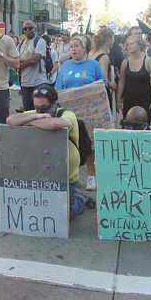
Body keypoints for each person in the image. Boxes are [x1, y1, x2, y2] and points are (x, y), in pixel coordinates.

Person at [6, 86, 95, 219]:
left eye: (44, 107)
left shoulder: (67, 114)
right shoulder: (36, 113)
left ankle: (80, 199)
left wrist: (30, 121)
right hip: (41, 173)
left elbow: (54, 125)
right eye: (36, 106)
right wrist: (38, 116)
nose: (40, 109)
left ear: (53, 103)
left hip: (66, 175)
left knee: (63, 216)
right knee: (41, 210)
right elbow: (10, 120)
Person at [55, 35, 105, 191]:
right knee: (69, 143)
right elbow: (58, 88)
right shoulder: (66, 66)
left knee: (88, 145)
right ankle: (71, 176)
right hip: (70, 113)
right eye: (71, 46)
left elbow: (101, 86)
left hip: (89, 112)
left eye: (76, 46)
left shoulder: (94, 65)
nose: (73, 49)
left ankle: (91, 177)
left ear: (84, 48)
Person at [116, 34, 151, 122]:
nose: (129, 46)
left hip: (146, 101)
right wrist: (118, 100)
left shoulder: (149, 61)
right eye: (128, 44)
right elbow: (122, 82)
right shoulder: (125, 62)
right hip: (129, 100)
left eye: (132, 44)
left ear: (140, 45)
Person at [17, 20, 48, 111]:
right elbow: (15, 63)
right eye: (25, 29)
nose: (27, 30)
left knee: (40, 110)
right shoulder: (21, 44)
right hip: (25, 83)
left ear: (35, 28)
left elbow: (34, 60)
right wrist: (28, 60)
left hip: (38, 82)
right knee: (28, 111)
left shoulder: (40, 41)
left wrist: (21, 61)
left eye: (30, 28)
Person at [89, 28, 117, 103]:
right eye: (113, 38)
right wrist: (112, 85)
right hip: (102, 92)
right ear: (109, 39)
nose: (114, 41)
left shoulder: (91, 53)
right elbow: (104, 78)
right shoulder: (104, 57)